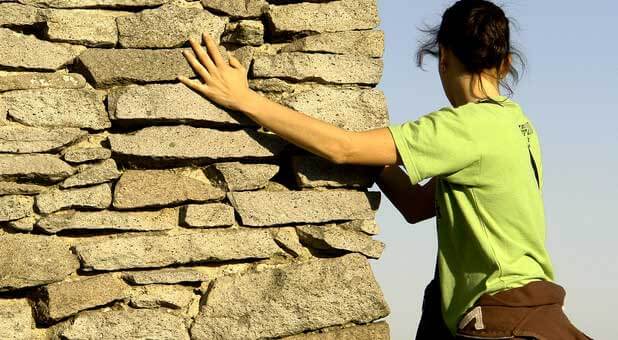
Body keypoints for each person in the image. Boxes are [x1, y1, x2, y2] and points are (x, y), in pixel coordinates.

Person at [177, 1, 591, 338]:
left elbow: (342, 148)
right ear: (505, 63)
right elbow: (417, 204)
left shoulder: (464, 127)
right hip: (536, 306)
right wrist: (375, 161)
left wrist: (247, 101)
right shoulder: (518, 125)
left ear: (443, 57)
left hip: (499, 316)